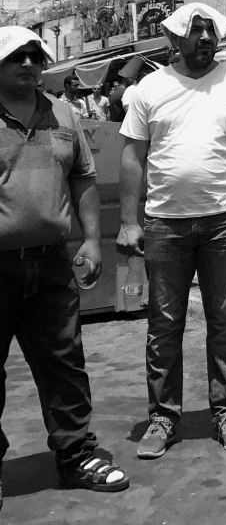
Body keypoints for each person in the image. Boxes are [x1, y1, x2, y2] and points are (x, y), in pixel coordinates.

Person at [117, 2, 226, 458]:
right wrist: (128, 221)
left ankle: (225, 411)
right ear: (175, 39)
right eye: (194, 30)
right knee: (164, 325)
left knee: (225, 321)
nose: (204, 38)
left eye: (210, 31)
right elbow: (132, 156)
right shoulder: (150, 88)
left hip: (225, 221)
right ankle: (163, 416)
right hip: (165, 224)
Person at [0, 27, 129, 503]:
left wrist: (93, 240)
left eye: (36, 56)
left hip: (52, 266)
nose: (29, 64)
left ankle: (76, 456)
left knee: (64, 365)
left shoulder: (64, 114)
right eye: (17, 56)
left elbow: (83, 178)